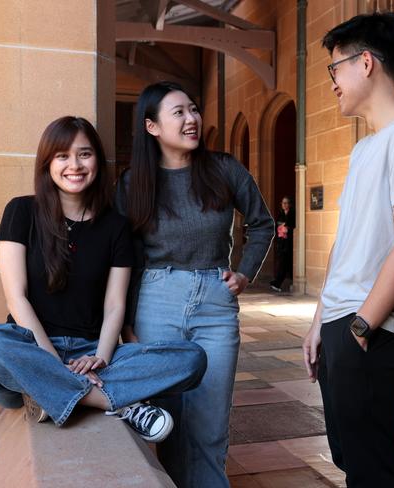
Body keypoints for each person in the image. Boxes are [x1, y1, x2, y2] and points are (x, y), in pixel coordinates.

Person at [0, 116, 207, 443]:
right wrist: (49, 360)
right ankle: (116, 404)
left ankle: (50, 395)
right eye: (62, 156)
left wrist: (102, 356)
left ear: (97, 160)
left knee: (191, 358)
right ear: (47, 163)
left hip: (91, 351)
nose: (74, 165)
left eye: (84, 154)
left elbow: (114, 305)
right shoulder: (20, 212)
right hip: (30, 351)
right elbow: (16, 298)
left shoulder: (115, 227)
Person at [302, 13, 394, 488]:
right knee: (351, 456)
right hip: (346, 322)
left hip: (374, 327)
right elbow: (348, 244)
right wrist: (322, 320)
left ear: (365, 63)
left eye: (335, 68)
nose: (334, 83)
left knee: (374, 468)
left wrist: (361, 326)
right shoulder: (367, 148)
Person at [116, 81, 274, 488]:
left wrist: (244, 272)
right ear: (152, 127)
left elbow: (262, 223)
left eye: (194, 109)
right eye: (179, 113)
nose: (192, 119)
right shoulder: (135, 182)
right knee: (170, 423)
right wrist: (125, 325)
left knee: (209, 423)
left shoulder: (223, 168)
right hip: (154, 302)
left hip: (215, 304)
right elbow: (124, 255)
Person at [270, 196, 295, 292]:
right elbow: (278, 225)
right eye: (283, 203)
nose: (284, 205)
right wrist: (283, 227)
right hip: (281, 242)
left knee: (287, 263)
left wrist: (286, 227)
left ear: (289, 204)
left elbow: (291, 225)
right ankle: (277, 282)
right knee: (283, 262)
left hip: (289, 242)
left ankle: (278, 282)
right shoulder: (280, 214)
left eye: (286, 203)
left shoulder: (292, 214)